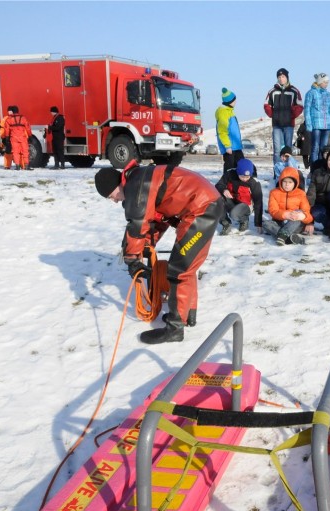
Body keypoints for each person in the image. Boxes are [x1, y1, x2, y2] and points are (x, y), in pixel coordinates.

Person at [94, 161, 221, 344]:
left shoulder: (136, 186)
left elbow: (137, 223)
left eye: (111, 196)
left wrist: (132, 259)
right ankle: (187, 315)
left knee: (179, 270)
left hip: (201, 208)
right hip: (204, 204)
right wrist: (146, 245)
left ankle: (175, 329)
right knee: (187, 265)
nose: (114, 200)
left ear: (117, 185)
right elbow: (156, 219)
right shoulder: (140, 180)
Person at [264, 68, 304, 170]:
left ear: (287, 77)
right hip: (277, 125)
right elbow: (266, 105)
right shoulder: (272, 91)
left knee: (288, 149)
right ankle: (277, 172)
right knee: (277, 150)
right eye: (279, 77)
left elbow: (300, 105)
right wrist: (273, 115)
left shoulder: (294, 91)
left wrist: (291, 115)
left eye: (283, 77)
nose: (281, 79)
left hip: (288, 125)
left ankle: (288, 170)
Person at [263, 166, 313, 245]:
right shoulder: (274, 192)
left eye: (290, 182)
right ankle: (289, 239)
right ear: (281, 181)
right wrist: (285, 214)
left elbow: (308, 214)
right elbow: (273, 211)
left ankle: (282, 235)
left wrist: (302, 216)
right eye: (285, 182)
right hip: (280, 222)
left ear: (295, 183)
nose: (287, 184)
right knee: (266, 224)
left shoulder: (301, 194)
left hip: (294, 225)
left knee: (297, 213)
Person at [216, 158, 263, 235]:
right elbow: (219, 185)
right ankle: (226, 223)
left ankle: (244, 220)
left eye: (247, 177)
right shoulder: (229, 174)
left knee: (234, 214)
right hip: (232, 201)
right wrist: (224, 190)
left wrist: (258, 223)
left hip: (246, 206)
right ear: (237, 172)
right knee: (217, 200)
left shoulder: (254, 182)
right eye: (242, 176)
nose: (244, 179)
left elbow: (258, 203)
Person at [304, 73, 330, 167]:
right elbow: (307, 109)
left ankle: (322, 167)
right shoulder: (311, 93)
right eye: (325, 82)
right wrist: (309, 125)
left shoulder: (327, 94)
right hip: (316, 125)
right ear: (320, 82)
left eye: (328, 82)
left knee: (324, 148)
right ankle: (314, 168)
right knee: (315, 147)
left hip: (326, 125)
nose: (327, 84)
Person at [216, 87, 243, 171]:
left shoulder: (230, 111)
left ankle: (237, 183)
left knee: (241, 165)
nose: (236, 102)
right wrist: (227, 146)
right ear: (230, 101)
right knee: (229, 167)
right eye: (234, 100)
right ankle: (226, 183)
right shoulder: (223, 113)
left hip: (236, 146)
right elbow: (222, 131)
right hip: (230, 147)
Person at [4, 105, 32, 171]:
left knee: (15, 152)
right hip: (22, 137)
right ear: (18, 111)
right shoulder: (23, 118)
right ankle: (26, 165)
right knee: (25, 151)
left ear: (12, 112)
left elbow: (7, 129)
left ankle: (17, 166)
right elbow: (28, 128)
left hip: (13, 137)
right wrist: (30, 136)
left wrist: (7, 137)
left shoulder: (9, 119)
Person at [0, 106, 15, 170]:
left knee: (8, 152)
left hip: (6, 138)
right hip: (15, 138)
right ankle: (20, 165)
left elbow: (2, 130)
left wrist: (3, 138)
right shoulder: (19, 118)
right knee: (18, 152)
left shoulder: (5, 119)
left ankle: (7, 165)